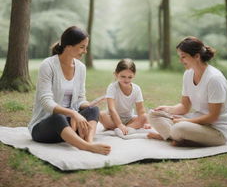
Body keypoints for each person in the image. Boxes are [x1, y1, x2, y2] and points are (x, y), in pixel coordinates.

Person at [28, 26, 111, 155]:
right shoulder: (48, 65)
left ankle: (89, 141)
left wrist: (87, 105)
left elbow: (80, 99)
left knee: (93, 110)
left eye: (86, 47)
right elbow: (46, 102)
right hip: (45, 127)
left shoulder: (81, 68)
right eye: (82, 47)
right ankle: (85, 147)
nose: (85, 51)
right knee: (58, 117)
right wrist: (73, 114)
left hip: (70, 126)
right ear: (68, 46)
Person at [148, 36, 227, 147]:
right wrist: (167, 109)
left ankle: (171, 136)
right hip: (195, 123)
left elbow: (213, 117)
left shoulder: (214, 79)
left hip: (216, 131)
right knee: (153, 115)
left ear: (197, 56)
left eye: (183, 57)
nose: (180, 60)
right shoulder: (188, 74)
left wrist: (186, 122)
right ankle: (175, 137)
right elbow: (184, 107)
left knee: (180, 128)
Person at [99, 58, 150, 135]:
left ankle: (123, 129)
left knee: (145, 117)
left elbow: (141, 111)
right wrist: (119, 124)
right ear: (116, 74)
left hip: (129, 119)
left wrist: (146, 122)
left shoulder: (137, 89)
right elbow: (111, 109)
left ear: (134, 75)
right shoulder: (112, 87)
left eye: (130, 77)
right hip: (113, 118)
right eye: (123, 76)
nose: (126, 80)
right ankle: (124, 128)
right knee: (101, 114)